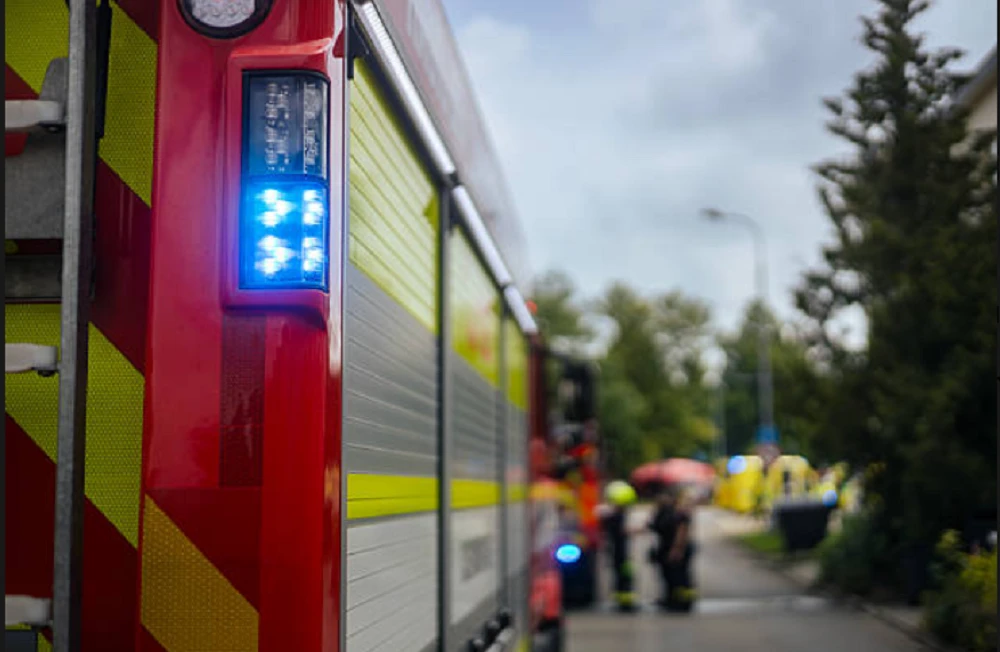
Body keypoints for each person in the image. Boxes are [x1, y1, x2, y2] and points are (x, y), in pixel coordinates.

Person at [648, 487, 696, 612]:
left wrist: (677, 549)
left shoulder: (679, 513)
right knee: (667, 575)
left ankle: (682, 602)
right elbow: (651, 526)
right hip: (665, 547)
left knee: (678, 576)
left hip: (677, 547)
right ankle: (670, 599)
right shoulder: (662, 512)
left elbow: (682, 532)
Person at [598, 481, 640, 612]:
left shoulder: (609, 516)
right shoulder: (617, 516)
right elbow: (622, 531)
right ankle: (626, 603)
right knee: (625, 577)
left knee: (620, 576)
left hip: (616, 551)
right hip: (621, 552)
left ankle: (622, 600)